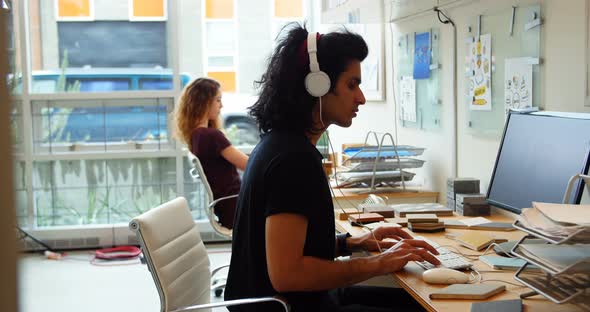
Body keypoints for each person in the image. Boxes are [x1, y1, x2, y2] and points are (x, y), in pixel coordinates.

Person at [224, 23, 440, 312]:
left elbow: (290, 248)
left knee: (420, 304)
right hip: (288, 307)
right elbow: (287, 274)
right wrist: (377, 263)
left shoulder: (280, 143)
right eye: (352, 85)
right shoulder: (293, 160)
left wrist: (353, 243)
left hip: (299, 301)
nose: (361, 98)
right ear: (318, 85)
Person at [173, 77, 248, 229]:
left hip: (227, 208)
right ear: (204, 102)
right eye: (218, 100)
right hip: (238, 209)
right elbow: (249, 165)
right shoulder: (211, 136)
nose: (222, 106)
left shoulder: (196, 136)